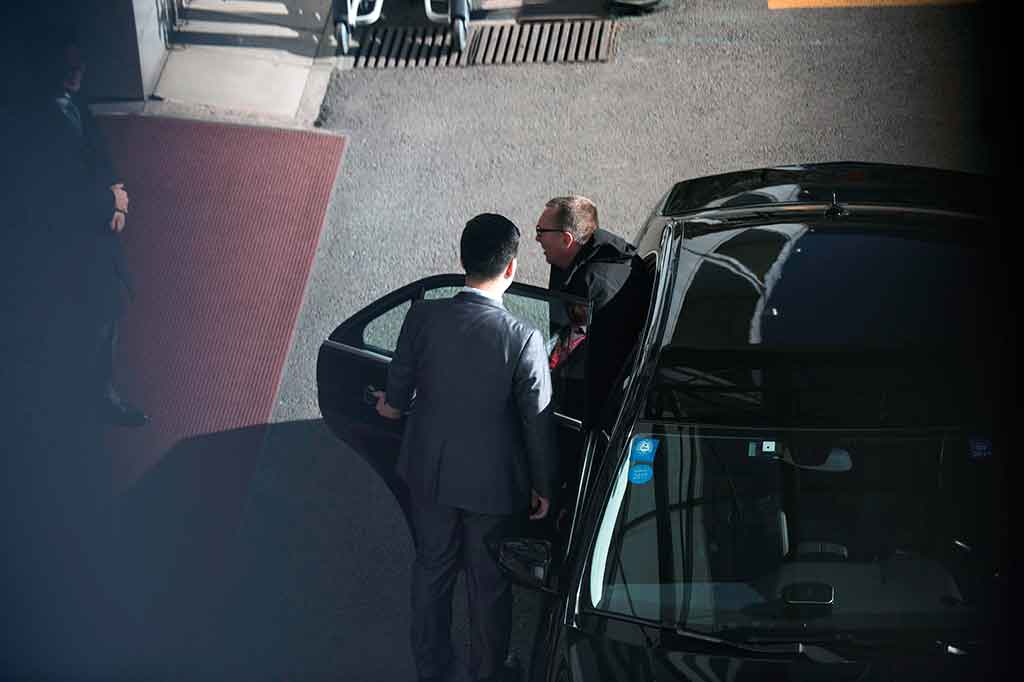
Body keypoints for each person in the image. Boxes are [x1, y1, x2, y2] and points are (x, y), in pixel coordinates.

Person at [375, 213, 557, 682]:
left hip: (429, 471)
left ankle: (432, 668)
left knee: (432, 568)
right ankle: (488, 673)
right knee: (488, 584)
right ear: (512, 268)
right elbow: (538, 423)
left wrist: (389, 407)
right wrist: (543, 485)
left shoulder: (423, 316)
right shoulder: (523, 339)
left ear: (462, 260)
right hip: (491, 484)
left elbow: (397, 398)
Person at [20, 29, 149, 427]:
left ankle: (93, 392)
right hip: (71, 242)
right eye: (69, 67)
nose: (77, 74)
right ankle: (90, 399)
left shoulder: (76, 104)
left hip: (94, 234)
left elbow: (99, 155)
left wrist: (117, 195)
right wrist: (112, 202)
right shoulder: (40, 122)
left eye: (80, 66)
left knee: (104, 314)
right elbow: (60, 191)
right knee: (89, 319)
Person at [535, 195, 651, 422]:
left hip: (597, 407)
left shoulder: (589, 287)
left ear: (566, 239)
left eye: (541, 231)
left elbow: (570, 352)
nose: (537, 238)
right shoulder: (605, 256)